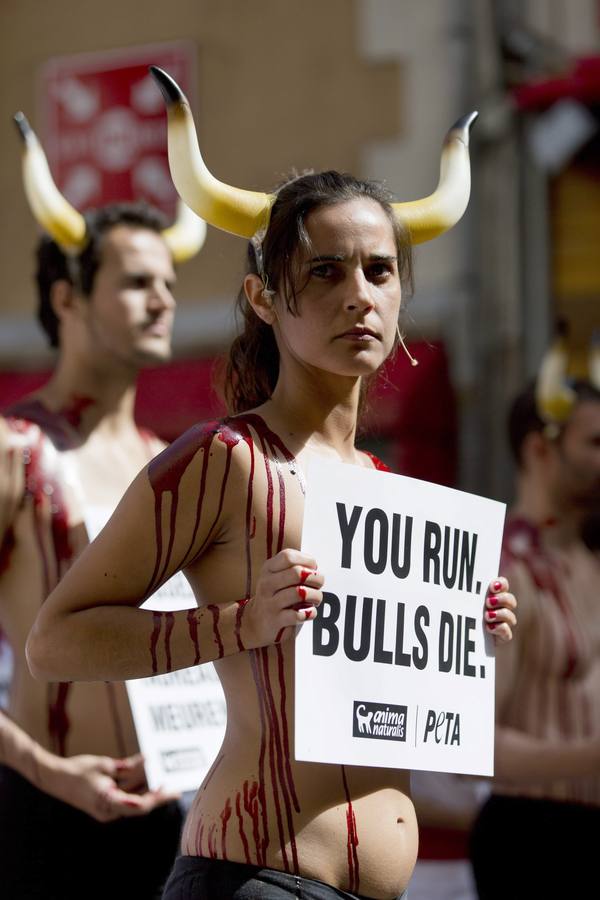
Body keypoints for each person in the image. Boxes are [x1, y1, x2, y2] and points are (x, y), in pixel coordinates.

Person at [27, 69, 517, 900]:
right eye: (324, 272)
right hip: (253, 878)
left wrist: (472, 638)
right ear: (262, 296)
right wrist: (237, 622)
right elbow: (55, 642)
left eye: (379, 271)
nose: (359, 295)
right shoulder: (223, 458)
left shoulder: (388, 491)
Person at [0, 113, 204, 899]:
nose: (163, 301)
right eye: (136, 281)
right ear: (69, 296)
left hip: (172, 819)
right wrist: (47, 770)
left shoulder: (179, 463)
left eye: (170, 284)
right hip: (43, 820)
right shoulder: (17, 449)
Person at [469, 371, 600, 898]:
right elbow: (475, 741)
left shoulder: (590, 559)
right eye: (594, 442)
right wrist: (590, 756)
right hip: (533, 838)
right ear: (539, 449)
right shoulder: (506, 569)